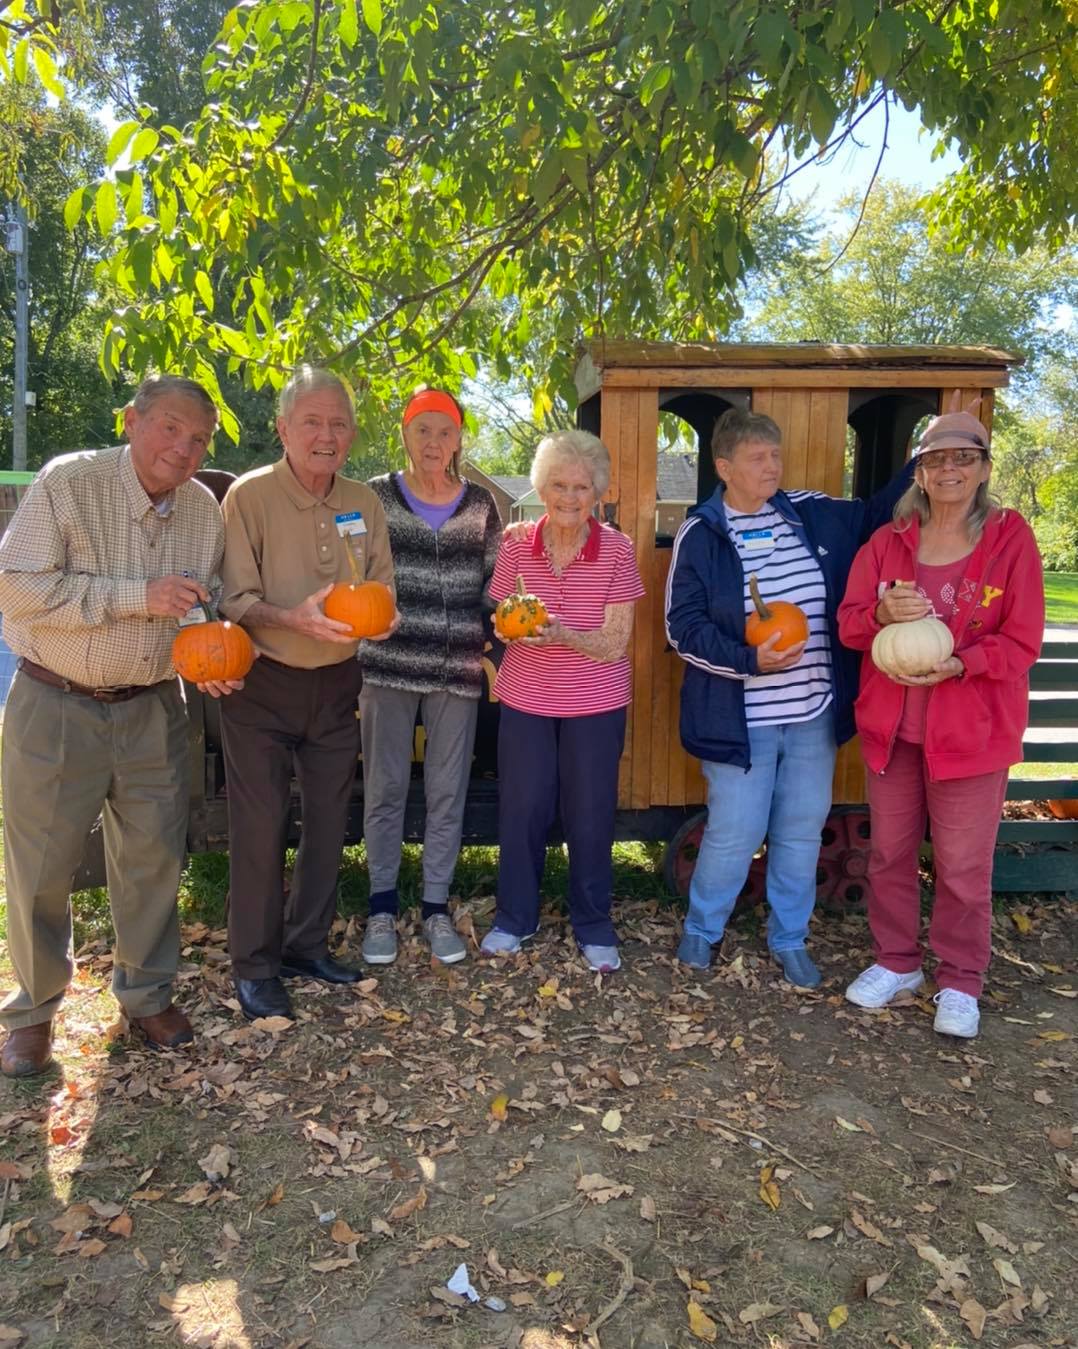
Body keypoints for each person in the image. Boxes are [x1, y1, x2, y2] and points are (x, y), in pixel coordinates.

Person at [0, 375, 229, 1077]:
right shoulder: (70, 482)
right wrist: (136, 597)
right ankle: (33, 1011)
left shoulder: (203, 512)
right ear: (132, 420)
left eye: (199, 439)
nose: (184, 448)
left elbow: (199, 608)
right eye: (171, 428)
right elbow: (16, 586)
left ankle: (146, 995)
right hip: (55, 699)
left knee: (153, 859)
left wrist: (211, 654)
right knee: (41, 864)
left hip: (153, 704)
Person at [665, 407, 912, 988]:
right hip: (740, 719)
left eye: (775, 455)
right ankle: (703, 929)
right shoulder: (702, 534)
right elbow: (682, 628)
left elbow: (877, 513)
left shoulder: (809, 512)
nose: (771, 466)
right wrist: (749, 660)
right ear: (725, 467)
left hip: (811, 713)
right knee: (736, 830)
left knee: (801, 830)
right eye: (757, 458)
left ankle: (790, 937)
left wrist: (924, 458)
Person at [838, 404, 1043, 1037]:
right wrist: (880, 614)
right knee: (889, 854)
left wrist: (962, 664)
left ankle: (960, 980)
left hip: (972, 734)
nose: (949, 469)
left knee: (961, 867)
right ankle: (897, 962)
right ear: (919, 472)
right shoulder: (888, 542)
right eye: (935, 459)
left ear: (984, 468)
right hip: (894, 731)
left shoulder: (1010, 539)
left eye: (964, 457)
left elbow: (1023, 640)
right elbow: (848, 624)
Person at [218, 366, 397, 1022]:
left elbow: (381, 581)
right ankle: (255, 965)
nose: (327, 435)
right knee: (261, 825)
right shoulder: (249, 496)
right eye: (313, 422)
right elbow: (234, 597)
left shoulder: (363, 501)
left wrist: (386, 615)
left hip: (338, 682)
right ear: (284, 429)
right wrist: (291, 619)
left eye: (339, 424)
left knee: (328, 821)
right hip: (262, 684)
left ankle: (305, 945)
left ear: (352, 434)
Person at [480, 430, 645, 972]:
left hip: (595, 703)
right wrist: (507, 630)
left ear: (597, 491)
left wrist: (561, 634)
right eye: (558, 485)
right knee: (522, 810)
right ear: (541, 488)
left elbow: (614, 642)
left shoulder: (617, 549)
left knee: (590, 814)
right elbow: (501, 614)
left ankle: (593, 923)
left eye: (581, 487)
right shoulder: (516, 544)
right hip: (526, 698)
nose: (569, 497)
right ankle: (514, 918)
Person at [357, 388, 501, 966]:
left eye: (445, 432)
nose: (434, 443)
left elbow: (495, 584)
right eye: (423, 430)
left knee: (447, 791)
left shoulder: (481, 504)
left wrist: (504, 623)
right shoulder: (376, 497)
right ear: (405, 435)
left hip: (456, 671)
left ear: (459, 438)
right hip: (388, 665)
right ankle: (381, 906)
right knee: (385, 788)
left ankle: (436, 906)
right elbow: (355, 571)